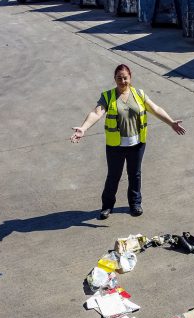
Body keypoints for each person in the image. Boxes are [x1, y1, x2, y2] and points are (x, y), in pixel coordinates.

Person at [70, 64, 186, 220]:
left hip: (137, 145)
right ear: (115, 79)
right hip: (115, 146)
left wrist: (171, 122)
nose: (122, 81)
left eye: (125, 78)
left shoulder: (139, 94)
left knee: (135, 175)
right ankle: (107, 206)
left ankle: (135, 204)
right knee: (113, 176)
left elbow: (155, 109)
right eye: (119, 78)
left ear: (130, 78)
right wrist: (83, 128)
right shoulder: (108, 96)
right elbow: (96, 113)